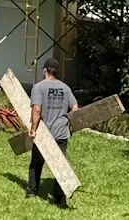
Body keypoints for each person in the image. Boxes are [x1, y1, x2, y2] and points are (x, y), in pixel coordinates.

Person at [27, 57, 79, 209]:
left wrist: (33, 129)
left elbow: (37, 109)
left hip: (45, 133)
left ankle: (32, 191)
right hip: (62, 133)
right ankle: (59, 198)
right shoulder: (65, 88)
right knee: (59, 165)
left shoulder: (38, 87)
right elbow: (75, 107)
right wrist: (71, 125)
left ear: (45, 70)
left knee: (36, 162)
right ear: (56, 72)